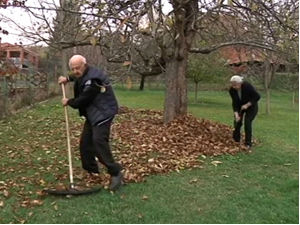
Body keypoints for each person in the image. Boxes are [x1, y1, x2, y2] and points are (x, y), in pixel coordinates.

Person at [58, 55, 123, 191]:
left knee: (98, 142)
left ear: (85, 64)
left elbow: (84, 100)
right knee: (85, 144)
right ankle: (92, 171)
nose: (76, 70)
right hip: (94, 114)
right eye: (73, 68)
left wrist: (68, 102)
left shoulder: (94, 80)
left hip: (103, 113)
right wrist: (67, 79)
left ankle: (116, 172)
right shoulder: (84, 73)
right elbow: (78, 76)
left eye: (78, 67)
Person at [229, 75, 260, 148]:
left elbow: (257, 96)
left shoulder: (247, 86)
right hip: (240, 107)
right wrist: (236, 113)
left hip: (251, 106)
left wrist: (247, 105)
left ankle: (248, 143)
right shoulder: (232, 90)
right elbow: (235, 102)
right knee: (237, 122)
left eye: (235, 85)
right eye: (233, 85)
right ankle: (236, 140)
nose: (234, 87)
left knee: (247, 122)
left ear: (240, 83)